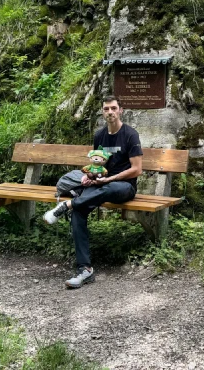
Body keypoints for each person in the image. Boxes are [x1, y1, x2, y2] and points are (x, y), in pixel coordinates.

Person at [43, 94, 142, 288]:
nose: (110, 112)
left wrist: (109, 178)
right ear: (103, 112)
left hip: (124, 187)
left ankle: (68, 203)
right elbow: (97, 163)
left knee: (105, 189)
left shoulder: (131, 134)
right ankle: (85, 270)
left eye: (114, 108)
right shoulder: (99, 135)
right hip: (100, 185)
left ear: (120, 111)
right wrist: (91, 177)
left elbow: (137, 169)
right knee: (78, 212)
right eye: (106, 109)